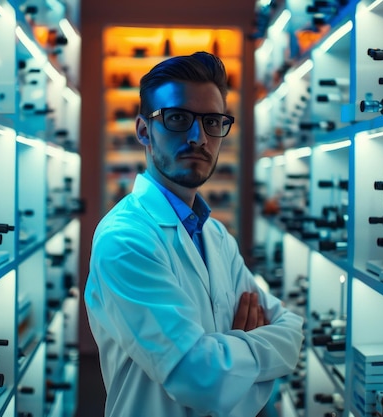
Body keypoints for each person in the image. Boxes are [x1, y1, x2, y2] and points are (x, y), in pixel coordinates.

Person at [84, 51, 304, 417]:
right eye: (177, 118)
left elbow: (292, 332)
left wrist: (227, 358)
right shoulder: (124, 240)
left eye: (212, 121)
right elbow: (200, 380)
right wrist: (251, 348)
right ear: (144, 131)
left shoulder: (216, 236)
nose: (198, 137)